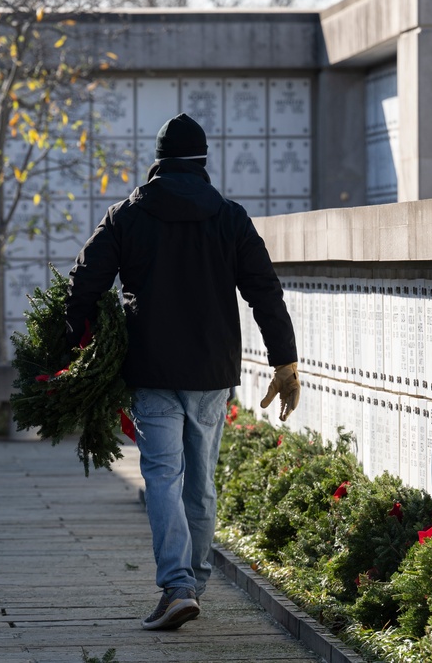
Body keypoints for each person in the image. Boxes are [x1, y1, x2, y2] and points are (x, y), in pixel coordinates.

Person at [64, 113, 300, 630]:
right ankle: (192, 580)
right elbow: (264, 289)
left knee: (163, 477)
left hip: (150, 369)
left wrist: (66, 349)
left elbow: (85, 282)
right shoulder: (230, 217)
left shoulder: (127, 215)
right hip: (212, 372)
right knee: (201, 479)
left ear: (158, 160)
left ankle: (177, 586)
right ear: (202, 162)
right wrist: (285, 359)